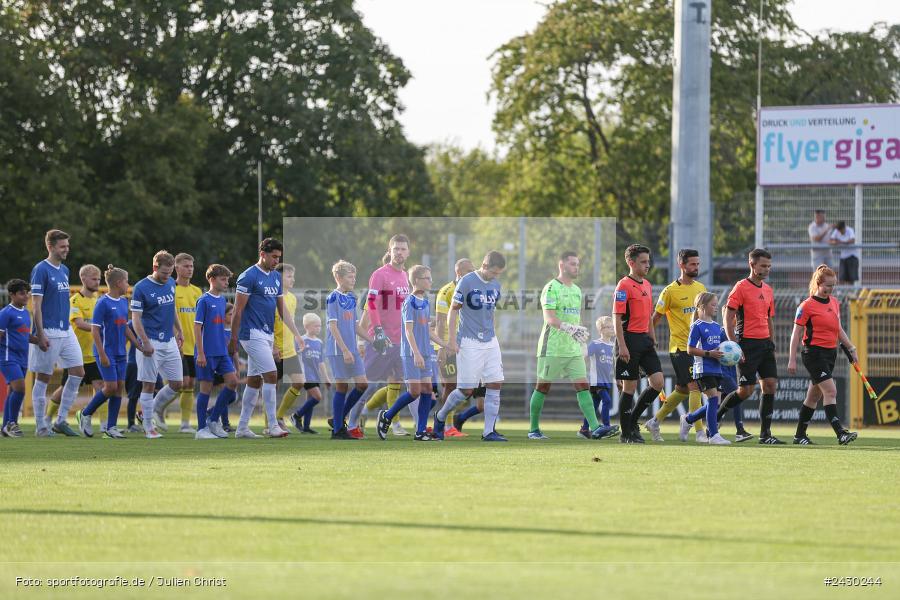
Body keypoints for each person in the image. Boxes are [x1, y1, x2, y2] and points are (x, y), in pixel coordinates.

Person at [527, 251, 614, 440]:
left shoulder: (576, 290)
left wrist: (580, 336)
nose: (577, 268)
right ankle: (533, 430)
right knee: (542, 387)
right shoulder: (551, 288)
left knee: (583, 386)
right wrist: (567, 327)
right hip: (552, 347)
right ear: (562, 265)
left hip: (572, 348)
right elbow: (550, 318)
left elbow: (576, 318)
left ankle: (594, 427)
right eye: (573, 264)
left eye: (578, 264)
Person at [229, 238, 305, 438]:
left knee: (254, 381)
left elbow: (283, 311)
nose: (276, 261)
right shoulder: (248, 277)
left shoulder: (275, 278)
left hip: (267, 334)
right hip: (251, 333)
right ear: (262, 254)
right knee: (271, 375)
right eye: (273, 257)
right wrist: (233, 339)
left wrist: (297, 334)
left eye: (278, 257)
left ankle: (242, 428)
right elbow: (237, 311)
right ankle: (272, 425)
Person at [434, 251, 507, 442]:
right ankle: (440, 418)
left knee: (495, 384)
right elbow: (453, 311)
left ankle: (488, 432)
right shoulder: (466, 281)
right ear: (484, 265)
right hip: (469, 341)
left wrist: (493, 334)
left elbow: (491, 313)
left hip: (490, 341)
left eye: (499, 273)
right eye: (494, 272)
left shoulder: (496, 285)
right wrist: (451, 341)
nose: (495, 276)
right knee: (466, 390)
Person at [717, 248, 784, 444]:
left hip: (765, 345)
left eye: (769, 266)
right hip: (746, 344)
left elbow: (769, 318)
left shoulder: (768, 290)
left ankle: (766, 435)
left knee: (770, 385)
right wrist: (733, 343)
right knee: (745, 390)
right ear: (752, 265)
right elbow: (727, 316)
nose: (767, 269)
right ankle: (715, 418)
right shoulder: (740, 287)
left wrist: (771, 341)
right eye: (763, 265)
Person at [787, 265, 858, 445]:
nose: (830, 289)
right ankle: (840, 433)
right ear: (818, 283)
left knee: (814, 396)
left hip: (830, 353)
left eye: (833, 286)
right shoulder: (806, 306)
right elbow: (796, 334)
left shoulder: (834, 302)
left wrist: (851, 348)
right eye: (827, 285)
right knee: (831, 390)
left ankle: (799, 436)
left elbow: (838, 328)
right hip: (813, 354)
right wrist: (792, 360)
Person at [644, 249, 707, 442]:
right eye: (692, 264)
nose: (696, 267)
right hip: (679, 347)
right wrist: (647, 341)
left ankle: (655, 421)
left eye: (698, 264)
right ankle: (698, 431)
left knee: (682, 390)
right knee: (695, 386)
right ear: (682, 265)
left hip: (697, 347)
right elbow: (655, 318)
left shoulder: (701, 288)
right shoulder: (670, 291)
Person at [377, 265, 444, 441]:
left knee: (428, 390)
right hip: (411, 353)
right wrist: (416, 353)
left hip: (425, 353)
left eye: (430, 278)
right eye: (427, 278)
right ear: (416, 281)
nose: (430, 281)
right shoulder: (409, 302)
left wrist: (445, 344)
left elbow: (427, 331)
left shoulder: (426, 302)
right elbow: (408, 331)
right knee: (414, 391)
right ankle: (387, 416)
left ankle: (420, 431)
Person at [29, 229, 84, 437]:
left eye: (67, 246)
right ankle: (40, 426)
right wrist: (40, 334)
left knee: (78, 372)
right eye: (62, 246)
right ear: (50, 247)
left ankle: (60, 420)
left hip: (66, 329)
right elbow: (36, 305)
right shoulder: (40, 270)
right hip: (49, 331)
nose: (66, 250)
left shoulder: (65, 270)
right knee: (43, 378)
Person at [131, 250, 185, 439]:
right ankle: (148, 427)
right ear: (155, 267)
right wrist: (144, 342)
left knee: (178, 383)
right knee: (148, 385)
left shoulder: (170, 283)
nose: (167, 277)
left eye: (170, 273)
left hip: (169, 340)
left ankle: (147, 412)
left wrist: (179, 330)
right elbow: (135, 319)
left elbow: (172, 308)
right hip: (150, 341)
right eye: (164, 273)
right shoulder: (141, 287)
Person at [613, 244, 663, 444]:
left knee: (657, 383)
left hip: (645, 340)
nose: (647, 265)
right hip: (629, 340)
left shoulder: (648, 285)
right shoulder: (623, 286)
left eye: (648, 261)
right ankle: (626, 433)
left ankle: (632, 421)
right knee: (629, 387)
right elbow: (616, 318)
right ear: (630, 262)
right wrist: (622, 346)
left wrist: (652, 337)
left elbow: (649, 316)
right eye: (643, 262)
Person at [47, 264, 105, 431]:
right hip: (76, 355)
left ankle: (103, 425)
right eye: (94, 279)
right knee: (65, 388)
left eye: (99, 279)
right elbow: (78, 323)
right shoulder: (74, 300)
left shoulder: (97, 301)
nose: (97, 282)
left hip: (93, 354)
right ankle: (47, 418)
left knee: (101, 387)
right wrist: (99, 329)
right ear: (83, 279)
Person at [78, 265, 133, 438]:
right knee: (110, 387)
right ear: (118, 283)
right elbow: (95, 331)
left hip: (120, 352)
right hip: (106, 352)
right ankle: (85, 413)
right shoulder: (102, 302)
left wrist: (139, 344)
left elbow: (124, 326)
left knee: (119, 388)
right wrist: (101, 354)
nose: (128, 285)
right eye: (126, 281)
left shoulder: (124, 302)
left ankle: (111, 428)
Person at [156, 252, 202, 434]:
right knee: (179, 382)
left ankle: (184, 424)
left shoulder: (197, 291)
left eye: (191, 266)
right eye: (185, 266)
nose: (189, 269)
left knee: (190, 383)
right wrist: (175, 335)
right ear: (176, 267)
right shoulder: (169, 287)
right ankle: (155, 410)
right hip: (174, 343)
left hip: (193, 345)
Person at [324, 260, 369, 440]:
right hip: (338, 349)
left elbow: (355, 325)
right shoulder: (332, 297)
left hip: (351, 349)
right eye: (350, 277)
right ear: (338, 277)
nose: (353, 280)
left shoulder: (351, 297)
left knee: (362, 384)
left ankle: (337, 419)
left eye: (354, 277)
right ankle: (337, 430)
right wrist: (344, 350)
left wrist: (372, 340)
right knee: (342, 386)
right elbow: (333, 327)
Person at [193, 264, 238, 439]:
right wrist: (201, 353)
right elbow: (197, 328)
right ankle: (201, 429)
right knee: (205, 389)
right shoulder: (203, 300)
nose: (226, 282)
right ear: (212, 279)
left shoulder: (222, 301)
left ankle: (213, 420)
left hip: (221, 352)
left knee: (233, 382)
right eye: (223, 279)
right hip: (207, 353)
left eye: (227, 279)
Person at [679, 292, 730, 445]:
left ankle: (688, 419)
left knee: (713, 403)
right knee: (713, 399)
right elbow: (690, 349)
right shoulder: (697, 326)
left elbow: (724, 348)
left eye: (716, 304)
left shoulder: (717, 327)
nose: (716, 307)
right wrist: (709, 353)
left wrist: (734, 354)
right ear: (702, 306)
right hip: (702, 368)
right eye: (713, 304)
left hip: (717, 369)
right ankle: (713, 435)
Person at [434, 258, 475, 437]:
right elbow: (441, 322)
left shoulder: (470, 291)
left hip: (465, 345)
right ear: (459, 273)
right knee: (450, 385)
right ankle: (446, 425)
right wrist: (444, 346)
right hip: (448, 346)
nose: (473, 274)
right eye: (469, 271)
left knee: (464, 386)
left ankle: (447, 423)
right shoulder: (446, 291)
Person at [1, 280, 36, 437]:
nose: (26, 296)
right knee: (20, 388)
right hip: (8, 357)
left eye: (27, 292)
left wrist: (40, 341)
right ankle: (12, 423)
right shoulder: (5, 313)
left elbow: (23, 335)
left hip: (22, 358)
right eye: (22, 293)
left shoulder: (25, 313)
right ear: (12, 295)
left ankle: (4, 427)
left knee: (12, 391)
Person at [273, 263, 306, 432]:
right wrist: (273, 345)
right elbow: (267, 323)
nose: (292, 279)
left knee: (299, 382)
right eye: (288, 276)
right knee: (272, 387)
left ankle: (279, 416)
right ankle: (269, 424)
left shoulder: (292, 298)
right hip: (275, 349)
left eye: (293, 276)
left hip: (290, 349)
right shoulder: (272, 297)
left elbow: (290, 322)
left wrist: (298, 337)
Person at [289, 313, 331, 434]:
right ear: (307, 326)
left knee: (311, 399)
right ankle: (296, 416)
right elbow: (295, 355)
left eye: (319, 326)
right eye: (315, 326)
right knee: (317, 397)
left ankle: (306, 427)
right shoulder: (301, 340)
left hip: (315, 375)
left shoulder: (319, 342)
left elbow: (321, 362)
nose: (318, 328)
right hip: (305, 374)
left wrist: (326, 378)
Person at [583, 316, 619, 439]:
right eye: (609, 327)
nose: (612, 329)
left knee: (593, 405)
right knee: (607, 400)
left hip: (606, 380)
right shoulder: (595, 344)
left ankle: (584, 429)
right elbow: (585, 355)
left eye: (613, 327)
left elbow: (613, 364)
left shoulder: (613, 346)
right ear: (601, 330)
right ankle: (606, 427)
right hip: (596, 380)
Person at [829, 221, 859, 286]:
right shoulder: (837, 231)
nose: (840, 233)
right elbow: (831, 240)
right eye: (839, 231)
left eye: (841, 231)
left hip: (852, 256)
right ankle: (842, 293)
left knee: (851, 278)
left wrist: (841, 242)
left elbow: (852, 240)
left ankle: (851, 292)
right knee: (841, 277)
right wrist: (835, 242)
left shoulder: (850, 230)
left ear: (844, 227)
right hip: (843, 257)